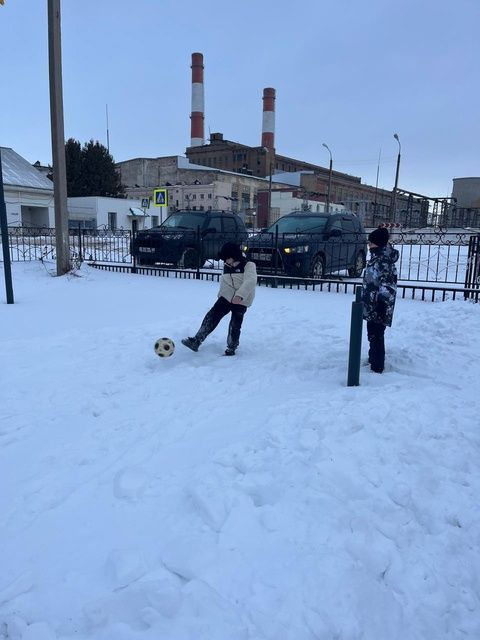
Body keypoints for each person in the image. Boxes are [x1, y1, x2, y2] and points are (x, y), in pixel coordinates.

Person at [181, 242, 257, 356]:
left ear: (234, 255)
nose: (224, 261)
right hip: (226, 297)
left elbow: (250, 281)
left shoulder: (248, 265)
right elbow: (225, 282)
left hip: (241, 300)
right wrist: (221, 295)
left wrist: (240, 295)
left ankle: (232, 346)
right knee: (212, 316)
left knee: (235, 324)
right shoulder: (227, 266)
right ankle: (197, 340)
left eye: (227, 258)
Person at [362, 227, 399, 373]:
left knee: (377, 334)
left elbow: (387, 285)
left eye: (371, 243)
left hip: (379, 305)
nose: (369, 245)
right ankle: (373, 358)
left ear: (378, 243)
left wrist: (382, 305)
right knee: (372, 332)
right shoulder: (376, 257)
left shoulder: (384, 261)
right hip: (372, 303)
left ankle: (377, 366)